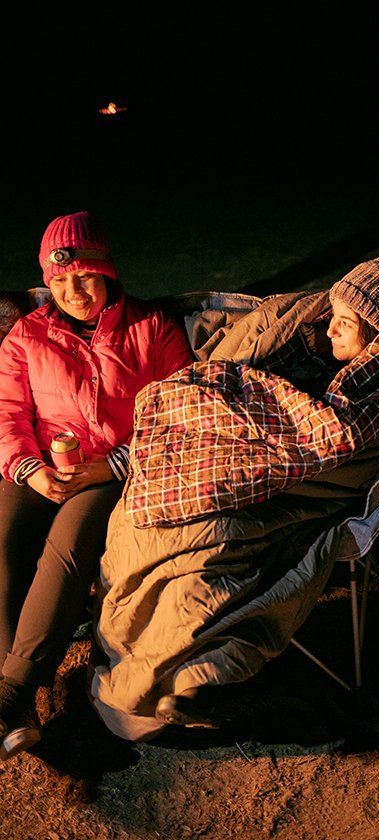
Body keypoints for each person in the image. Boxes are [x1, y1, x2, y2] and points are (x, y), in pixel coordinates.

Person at [89, 232, 379, 740]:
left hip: (299, 488)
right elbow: (223, 368)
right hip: (223, 454)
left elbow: (340, 439)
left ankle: (195, 678)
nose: (331, 327)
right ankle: (179, 670)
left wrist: (281, 440)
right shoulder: (304, 321)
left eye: (348, 324)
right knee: (148, 528)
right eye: (335, 312)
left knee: (218, 550)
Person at [0, 211, 194, 761]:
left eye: (84, 276)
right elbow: (7, 410)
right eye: (60, 280)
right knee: (3, 543)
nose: (74, 291)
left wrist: (115, 464)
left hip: (110, 471)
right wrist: (29, 467)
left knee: (67, 546)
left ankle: (14, 693)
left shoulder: (151, 328)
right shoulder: (28, 334)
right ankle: (15, 704)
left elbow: (181, 411)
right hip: (39, 464)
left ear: (107, 271)